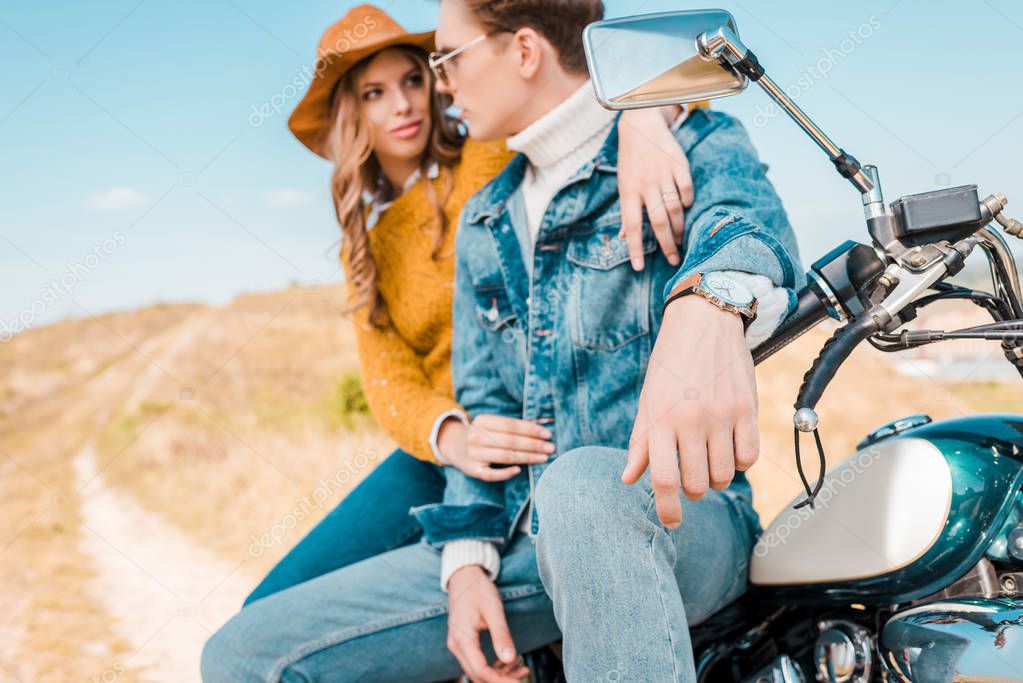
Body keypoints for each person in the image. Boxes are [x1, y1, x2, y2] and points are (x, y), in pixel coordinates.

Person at [200, 1, 801, 681]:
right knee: (242, 651)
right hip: (499, 499)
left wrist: (706, 296)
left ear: (518, 53)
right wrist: (464, 561)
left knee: (580, 490)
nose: (435, 87)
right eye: (376, 91)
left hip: (662, 513)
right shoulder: (483, 223)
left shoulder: (653, 147)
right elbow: (440, 385)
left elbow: (745, 225)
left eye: (441, 63)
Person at [239, 3, 701, 608]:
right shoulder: (371, 246)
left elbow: (585, 96)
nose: (402, 105)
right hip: (449, 448)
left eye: (412, 79)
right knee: (272, 604)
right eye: (375, 93)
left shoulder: (493, 152)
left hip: (535, 420)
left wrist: (643, 116)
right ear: (353, 114)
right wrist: (453, 437)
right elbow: (389, 380)